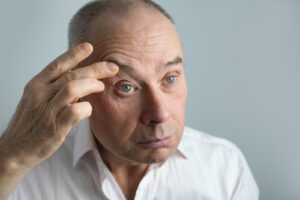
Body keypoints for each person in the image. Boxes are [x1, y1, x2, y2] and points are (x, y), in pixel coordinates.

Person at [0, 0, 259, 199]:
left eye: (170, 78)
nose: (160, 113)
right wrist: (9, 159)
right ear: (79, 89)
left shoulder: (224, 168)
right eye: (126, 87)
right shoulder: (25, 170)